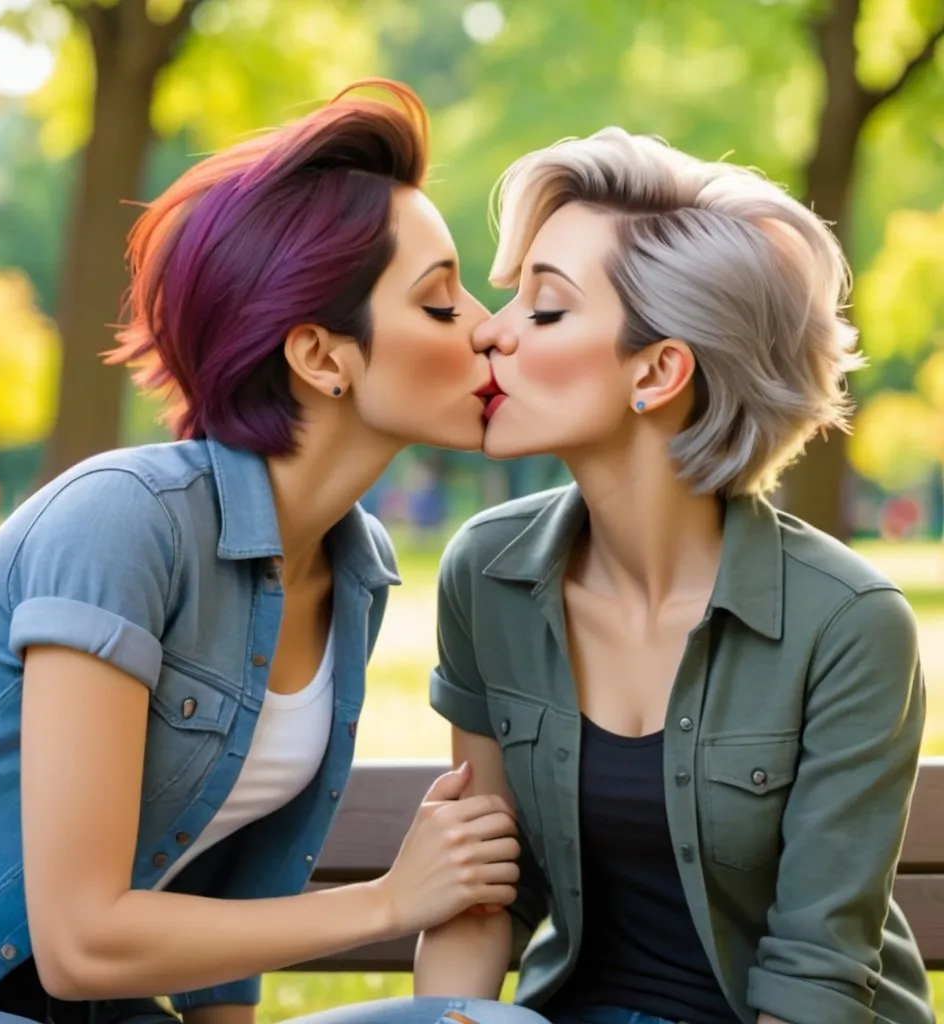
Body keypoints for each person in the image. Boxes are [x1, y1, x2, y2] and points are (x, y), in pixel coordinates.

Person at [0, 80, 544, 1024]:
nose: (488, 330)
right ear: (322, 357)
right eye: (441, 303)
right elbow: (81, 940)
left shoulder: (356, 567)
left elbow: (232, 913)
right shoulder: (123, 523)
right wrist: (384, 901)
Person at [416, 127, 934, 1024]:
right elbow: (483, 894)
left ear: (657, 371)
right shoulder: (485, 574)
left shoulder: (848, 624)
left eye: (545, 309)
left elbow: (816, 977)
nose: (490, 332)